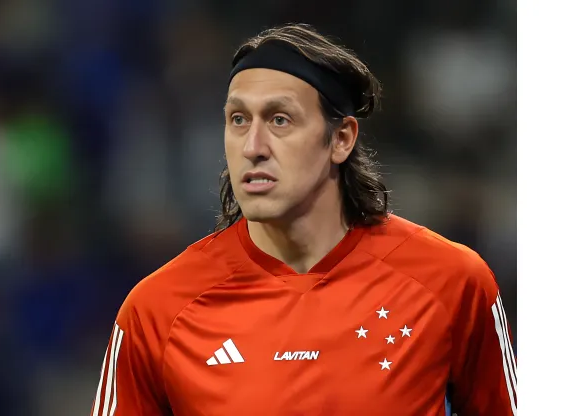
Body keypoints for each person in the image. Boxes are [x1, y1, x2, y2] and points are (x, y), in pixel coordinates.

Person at [90, 23, 516, 416]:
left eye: (280, 119)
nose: (253, 146)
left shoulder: (451, 282)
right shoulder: (159, 310)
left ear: (341, 139)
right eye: (238, 120)